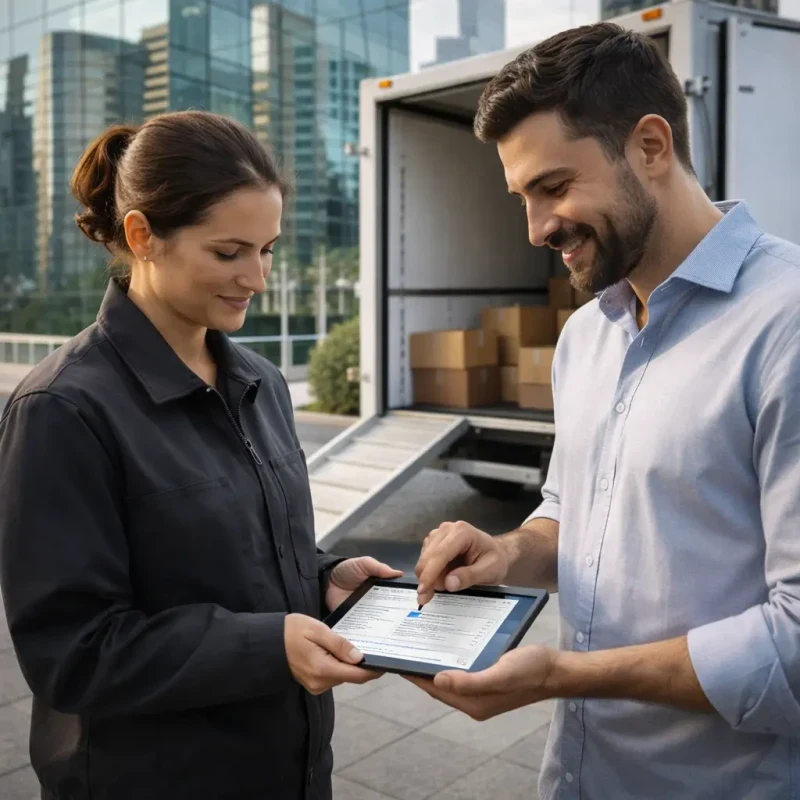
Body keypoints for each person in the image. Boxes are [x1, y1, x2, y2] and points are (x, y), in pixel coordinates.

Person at [411, 22, 800, 800]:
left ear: (651, 146)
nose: (536, 229)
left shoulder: (785, 324)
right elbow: (569, 512)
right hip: (577, 778)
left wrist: (563, 675)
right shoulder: (587, 335)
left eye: (554, 187)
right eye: (524, 197)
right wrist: (506, 552)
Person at [0, 110, 401, 800]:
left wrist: (324, 577)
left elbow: (236, 554)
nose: (258, 277)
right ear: (141, 235)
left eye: (268, 249)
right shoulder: (62, 410)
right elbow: (74, 652)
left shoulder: (261, 382)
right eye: (229, 252)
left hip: (290, 769)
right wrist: (267, 645)